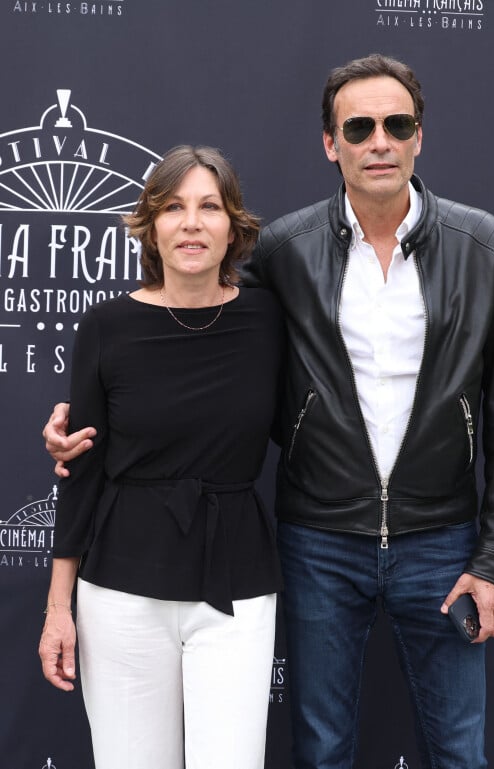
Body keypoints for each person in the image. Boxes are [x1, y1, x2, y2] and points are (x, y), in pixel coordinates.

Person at [44, 54, 494, 769]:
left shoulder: (483, 246)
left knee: (460, 749)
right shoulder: (286, 252)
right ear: (329, 143)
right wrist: (83, 430)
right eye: (359, 126)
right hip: (317, 540)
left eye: (396, 124)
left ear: (419, 136)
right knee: (320, 749)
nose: (379, 141)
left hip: (441, 540)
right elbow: (196, 362)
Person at [38, 145, 284, 769]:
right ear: (150, 225)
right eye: (173, 207)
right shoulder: (105, 325)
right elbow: (80, 470)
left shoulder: (268, 318)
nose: (192, 222)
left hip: (235, 583)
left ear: (234, 226)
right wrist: (57, 610)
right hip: (121, 587)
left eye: (209, 206)